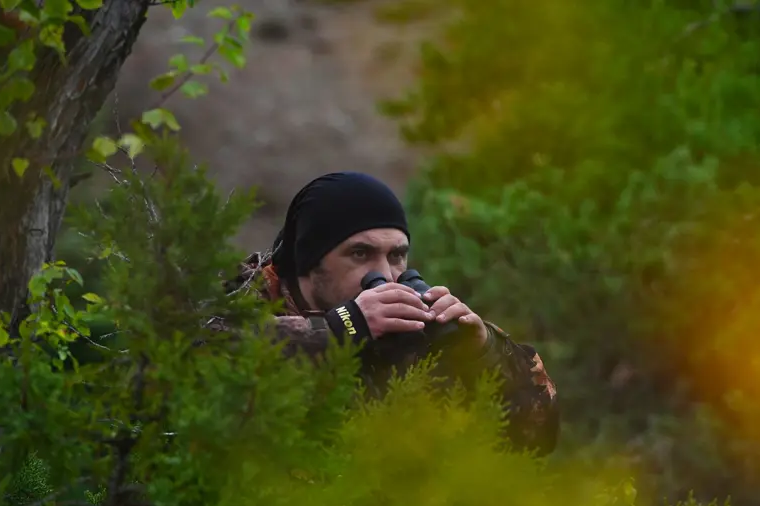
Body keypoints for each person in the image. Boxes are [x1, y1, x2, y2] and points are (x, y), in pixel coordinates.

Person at [224, 172, 559, 455]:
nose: (384, 274)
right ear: (309, 262)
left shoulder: (412, 333)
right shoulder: (236, 305)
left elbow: (536, 441)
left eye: (397, 255)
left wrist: (485, 354)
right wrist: (343, 328)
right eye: (360, 253)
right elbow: (205, 369)